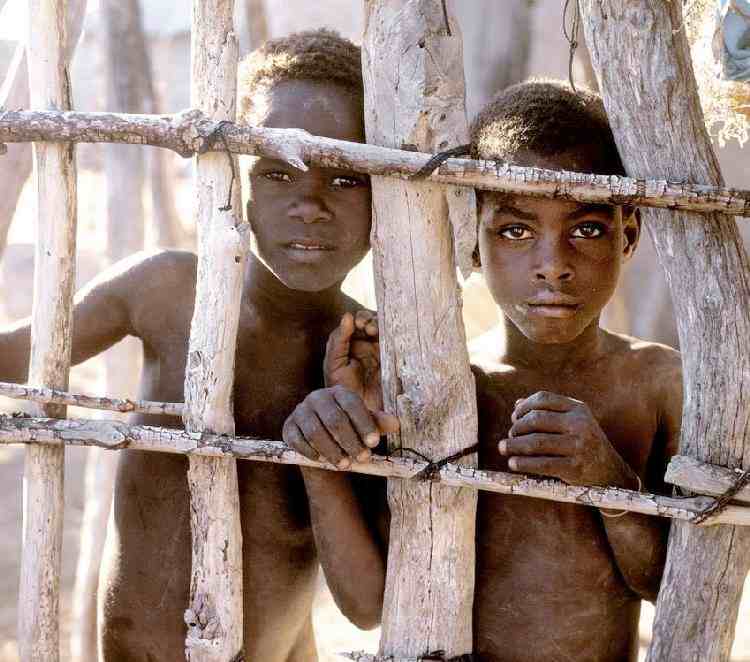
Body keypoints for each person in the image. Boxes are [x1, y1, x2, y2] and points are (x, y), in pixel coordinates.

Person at [0, 29, 382, 662]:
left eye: (345, 180)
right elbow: (21, 355)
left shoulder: (365, 355)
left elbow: (366, 607)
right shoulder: (167, 290)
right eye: (278, 172)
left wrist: (329, 456)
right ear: (235, 178)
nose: (311, 205)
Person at [283, 80, 683, 662]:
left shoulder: (655, 383)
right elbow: (368, 604)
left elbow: (679, 587)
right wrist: (324, 459)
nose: (552, 266)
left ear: (627, 236)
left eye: (586, 230)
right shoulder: (441, 390)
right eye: (516, 231)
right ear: (474, 242)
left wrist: (610, 484)